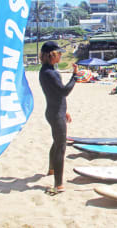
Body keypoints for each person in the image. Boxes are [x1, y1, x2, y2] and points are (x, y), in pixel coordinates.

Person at [39, 41, 78, 194]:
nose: (61, 55)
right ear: (51, 55)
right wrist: (75, 76)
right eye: (59, 53)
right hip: (55, 113)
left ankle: (51, 169)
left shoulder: (47, 70)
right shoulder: (50, 73)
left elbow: (56, 94)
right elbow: (64, 91)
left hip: (54, 111)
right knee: (61, 146)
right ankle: (58, 184)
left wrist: (65, 110)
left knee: (57, 142)